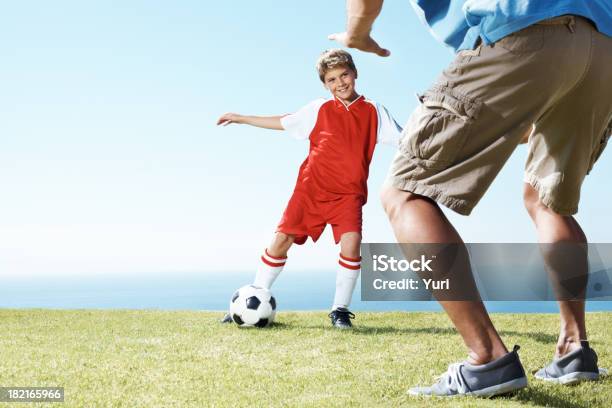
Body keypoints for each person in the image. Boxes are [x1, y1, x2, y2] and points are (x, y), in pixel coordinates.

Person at [330, 0, 611, 397]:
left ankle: (488, 358)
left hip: (522, 24)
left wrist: (357, 33)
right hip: (602, 45)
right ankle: (574, 348)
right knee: (548, 201)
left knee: (404, 193)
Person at [216, 49, 402, 328]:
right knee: (281, 241)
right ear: (325, 84)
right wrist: (242, 118)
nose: (340, 83)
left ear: (355, 73)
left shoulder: (374, 111)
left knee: (351, 245)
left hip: (348, 194)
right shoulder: (319, 108)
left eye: (344, 75)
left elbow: (406, 139)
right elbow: (282, 121)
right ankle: (249, 300)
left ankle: (339, 310)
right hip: (310, 189)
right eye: (332, 79)